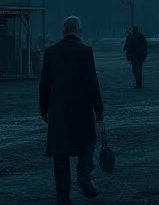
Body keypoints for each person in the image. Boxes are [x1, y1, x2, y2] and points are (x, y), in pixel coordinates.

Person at [40, 15, 104, 204]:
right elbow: (93, 83)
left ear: (63, 31)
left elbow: (45, 84)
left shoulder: (50, 52)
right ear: (78, 30)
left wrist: (44, 108)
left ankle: (63, 197)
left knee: (60, 155)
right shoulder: (85, 51)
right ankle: (84, 175)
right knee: (87, 143)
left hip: (58, 112)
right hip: (81, 110)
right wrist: (98, 108)